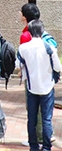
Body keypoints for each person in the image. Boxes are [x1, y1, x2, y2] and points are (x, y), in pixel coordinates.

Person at [17, 19, 61, 151]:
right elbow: (58, 67)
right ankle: (47, 147)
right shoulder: (49, 48)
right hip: (47, 87)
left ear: (29, 32)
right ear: (42, 31)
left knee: (32, 119)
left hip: (31, 87)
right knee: (46, 120)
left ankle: (33, 146)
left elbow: (18, 65)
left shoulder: (23, 48)